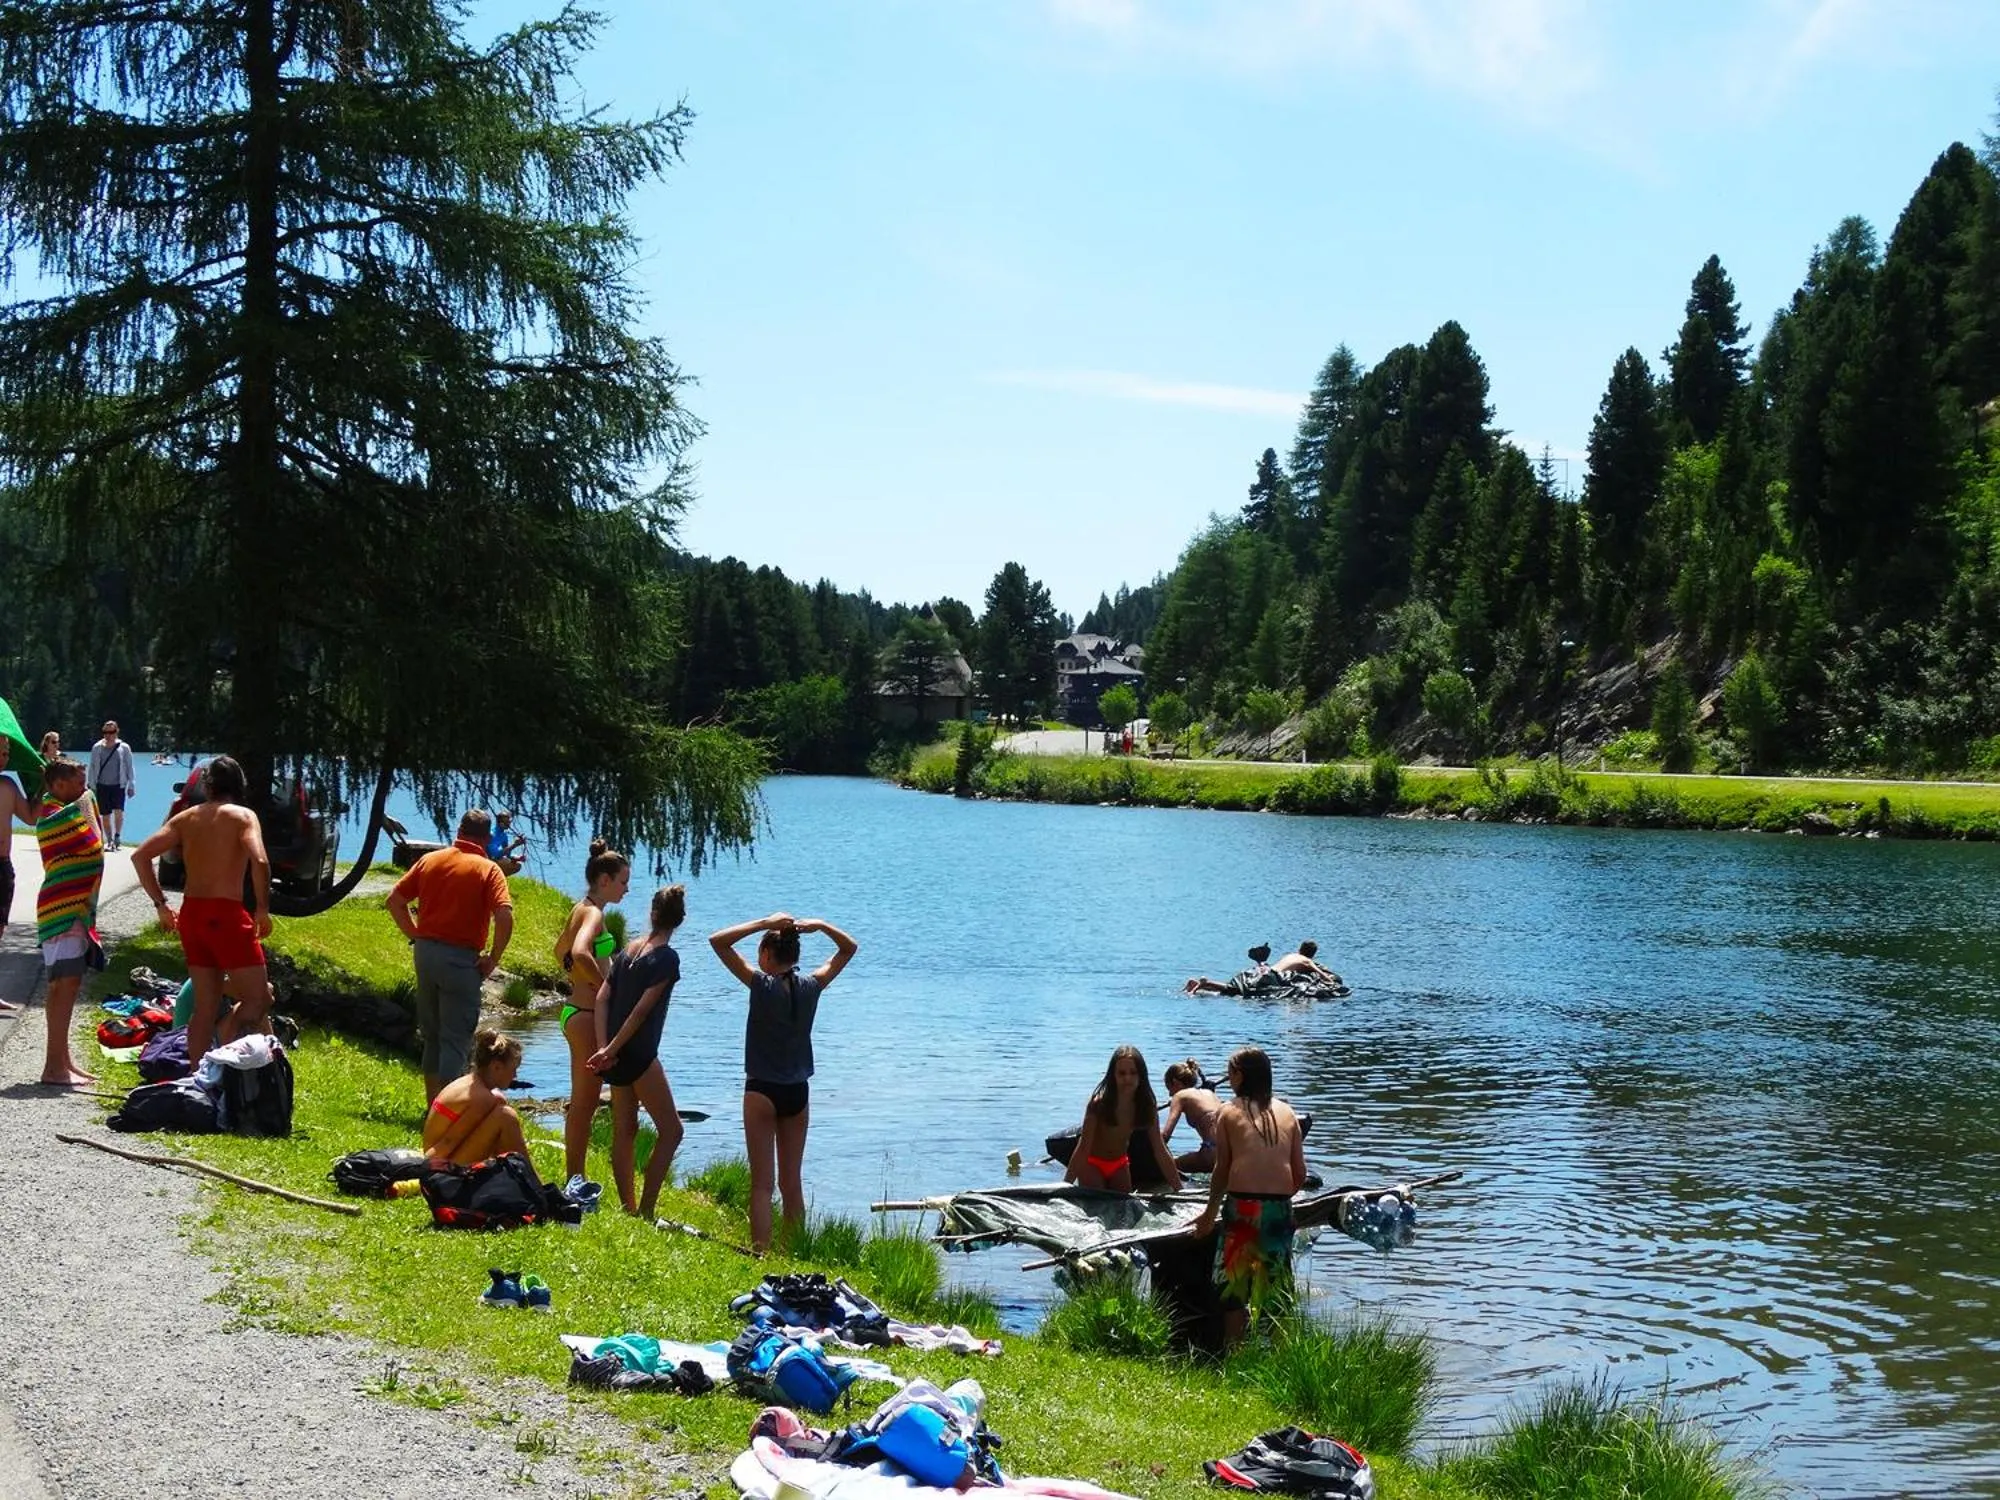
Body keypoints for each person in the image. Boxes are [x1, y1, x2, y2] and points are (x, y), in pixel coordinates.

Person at [709, 910, 859, 1254]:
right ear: (795, 957)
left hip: (761, 1089)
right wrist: (820, 925)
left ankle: (760, 1253)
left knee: (762, 1184)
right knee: (791, 1183)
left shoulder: (760, 984)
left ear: (765, 955)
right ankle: (794, 1253)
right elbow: (848, 949)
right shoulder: (812, 986)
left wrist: (763, 923)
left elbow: (718, 942)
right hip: (797, 1092)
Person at [130, 755, 274, 1060]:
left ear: (207, 786)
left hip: (192, 915)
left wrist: (161, 905)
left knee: (204, 1008)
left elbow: (140, 856)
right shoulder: (243, 816)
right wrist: (262, 908)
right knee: (259, 1000)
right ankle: (224, 1043)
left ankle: (197, 1077)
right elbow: (260, 860)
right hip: (226, 916)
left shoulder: (185, 818)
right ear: (239, 784)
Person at [386, 809, 514, 1103]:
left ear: (459, 830)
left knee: (432, 1036)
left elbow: (395, 901)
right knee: (455, 1040)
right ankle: (449, 1114)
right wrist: (493, 957)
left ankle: (433, 1107)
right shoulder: (488, 869)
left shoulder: (431, 860)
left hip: (426, 954)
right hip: (460, 959)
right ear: (486, 837)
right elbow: (504, 916)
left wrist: (415, 934)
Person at [1191, 1046, 1308, 1348]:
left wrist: (1208, 1214)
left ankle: (1235, 1353)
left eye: (1230, 1074)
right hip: (1278, 1208)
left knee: (1234, 1291)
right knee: (1276, 1290)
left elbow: (1221, 1169)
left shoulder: (1228, 1111)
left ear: (1240, 1076)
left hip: (1242, 1207)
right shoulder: (1288, 1112)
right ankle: (1281, 1356)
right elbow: (1300, 1174)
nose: (1229, 1081)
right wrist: (1278, 1200)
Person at [588, 884, 688, 1218]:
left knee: (625, 1131)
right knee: (672, 1131)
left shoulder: (629, 950)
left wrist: (604, 1048)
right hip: (639, 1057)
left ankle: (628, 1207)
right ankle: (645, 1210)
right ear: (680, 920)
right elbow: (642, 1012)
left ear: (652, 913)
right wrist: (612, 1049)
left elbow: (603, 997)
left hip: (615, 1057)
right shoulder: (667, 959)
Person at [552, 839, 631, 1184]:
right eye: (623, 881)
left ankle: (576, 1178)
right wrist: (604, 991)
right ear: (604, 880)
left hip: (576, 1013)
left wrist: (578, 976)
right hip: (585, 1016)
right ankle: (575, 1181)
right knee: (584, 1105)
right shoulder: (595, 913)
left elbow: (560, 952)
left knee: (583, 1102)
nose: (627, 889)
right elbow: (580, 953)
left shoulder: (580, 907)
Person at [33, 758, 104, 1086]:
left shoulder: (65, 809)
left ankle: (63, 1061)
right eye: (78, 783)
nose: (84, 789)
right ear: (59, 786)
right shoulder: (52, 818)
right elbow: (93, 845)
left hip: (71, 913)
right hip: (63, 913)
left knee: (66, 986)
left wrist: (87, 803)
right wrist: (88, 806)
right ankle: (53, 1068)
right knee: (64, 986)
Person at [1064, 1044, 1181, 1194]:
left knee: (1124, 1209)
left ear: (1141, 1075)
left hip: (1119, 1164)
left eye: (1133, 1073)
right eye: (1122, 1073)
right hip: (1092, 1163)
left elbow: (1160, 1149)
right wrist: (1065, 1186)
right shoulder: (1099, 1104)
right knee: (1097, 1206)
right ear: (1113, 1075)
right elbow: (1083, 1148)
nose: (1128, 1078)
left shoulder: (1146, 1105)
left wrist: (1179, 1189)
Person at [422, 1029, 529, 1166]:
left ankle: (519, 1178)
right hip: (441, 1167)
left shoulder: (471, 1083)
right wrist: (423, 1171)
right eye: (513, 1069)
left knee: (499, 1102)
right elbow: (448, 1142)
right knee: (507, 1116)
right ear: (496, 1067)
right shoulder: (482, 1098)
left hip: (444, 1159)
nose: (515, 1076)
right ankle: (533, 1184)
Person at [0, 735, 39, 1016]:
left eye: (5, 753)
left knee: (0, 929)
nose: (3, 758)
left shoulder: (9, 785)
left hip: (2, 865)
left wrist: (41, 788)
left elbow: (30, 817)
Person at [1161, 1058, 1225, 1174]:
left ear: (1175, 1082)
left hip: (1211, 1155)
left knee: (1169, 1165)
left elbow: (1165, 1136)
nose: (1170, 1094)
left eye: (1169, 1089)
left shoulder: (1180, 1096)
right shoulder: (1209, 1093)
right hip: (1230, 1154)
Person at [85, 721, 136, 851]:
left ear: (116, 732)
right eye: (106, 732)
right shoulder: (97, 747)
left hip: (119, 785)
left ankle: (117, 835)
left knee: (119, 811)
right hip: (102, 785)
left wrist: (131, 785)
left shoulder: (124, 747)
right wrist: (91, 785)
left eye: (111, 732)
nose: (109, 735)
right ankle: (109, 840)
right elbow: (92, 768)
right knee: (106, 815)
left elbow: (130, 767)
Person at [1184, 943, 1284, 997]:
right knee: (1233, 990)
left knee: (1230, 989)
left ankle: (1200, 984)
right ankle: (1205, 982)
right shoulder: (1264, 968)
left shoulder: (1261, 967)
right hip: (1253, 981)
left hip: (1250, 978)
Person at [1274, 941, 1341, 984]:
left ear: (1299, 950)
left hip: (1268, 971)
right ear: (1313, 954)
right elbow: (1323, 976)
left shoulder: (1290, 955)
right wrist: (1333, 983)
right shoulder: (1307, 961)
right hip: (1275, 977)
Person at [486, 810, 527, 877]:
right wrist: (515, 845)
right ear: (501, 824)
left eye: (509, 822)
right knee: (505, 863)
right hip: (487, 861)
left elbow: (508, 855)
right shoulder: (492, 835)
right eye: (507, 822)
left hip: (494, 860)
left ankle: (497, 880)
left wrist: (518, 858)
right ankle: (493, 879)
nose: (509, 824)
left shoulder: (504, 835)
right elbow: (495, 855)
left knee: (517, 865)